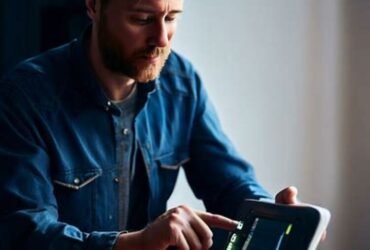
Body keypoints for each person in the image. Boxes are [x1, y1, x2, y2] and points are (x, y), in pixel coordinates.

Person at [0, 0, 300, 249]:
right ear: (93, 6)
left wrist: (272, 213)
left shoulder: (181, 83)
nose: (162, 39)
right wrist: (138, 243)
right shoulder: (25, 95)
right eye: (142, 19)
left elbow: (229, 184)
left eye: (171, 18)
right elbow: (25, 232)